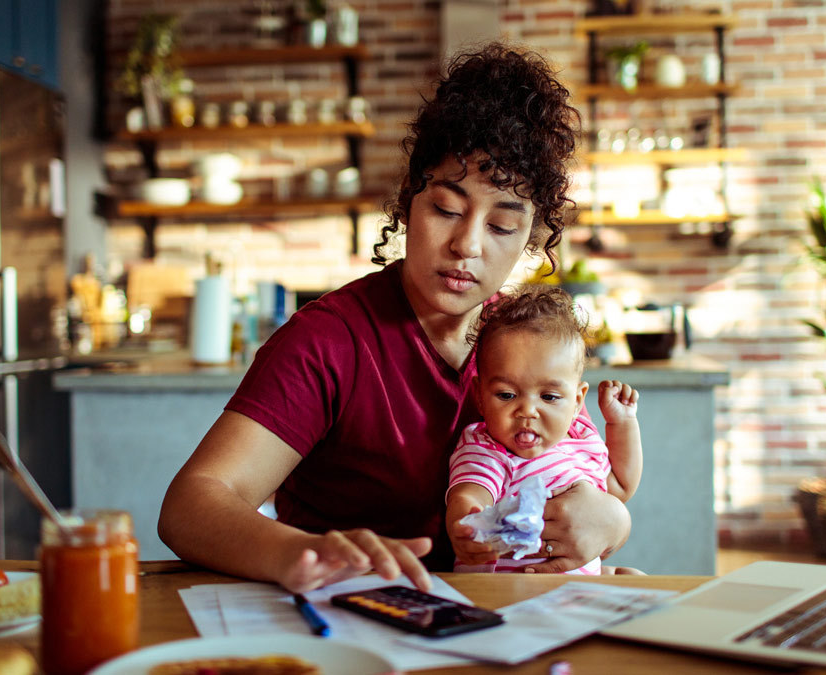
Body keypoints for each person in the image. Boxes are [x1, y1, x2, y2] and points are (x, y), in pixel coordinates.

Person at [158, 43, 632, 594]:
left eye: (502, 226)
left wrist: (612, 523)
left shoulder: (527, 343)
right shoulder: (329, 341)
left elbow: (580, 478)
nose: (467, 245)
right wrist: (301, 552)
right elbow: (191, 505)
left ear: (532, 236)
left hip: (504, 616)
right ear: (409, 201)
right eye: (446, 210)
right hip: (353, 610)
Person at [445, 285, 643, 574]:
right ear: (479, 396)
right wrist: (466, 522)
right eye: (507, 395)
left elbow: (620, 488)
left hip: (574, 589)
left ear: (577, 401)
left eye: (549, 397)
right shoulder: (487, 448)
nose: (527, 411)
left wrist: (622, 424)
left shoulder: (580, 439)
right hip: (511, 590)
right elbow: (470, 493)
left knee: (634, 578)